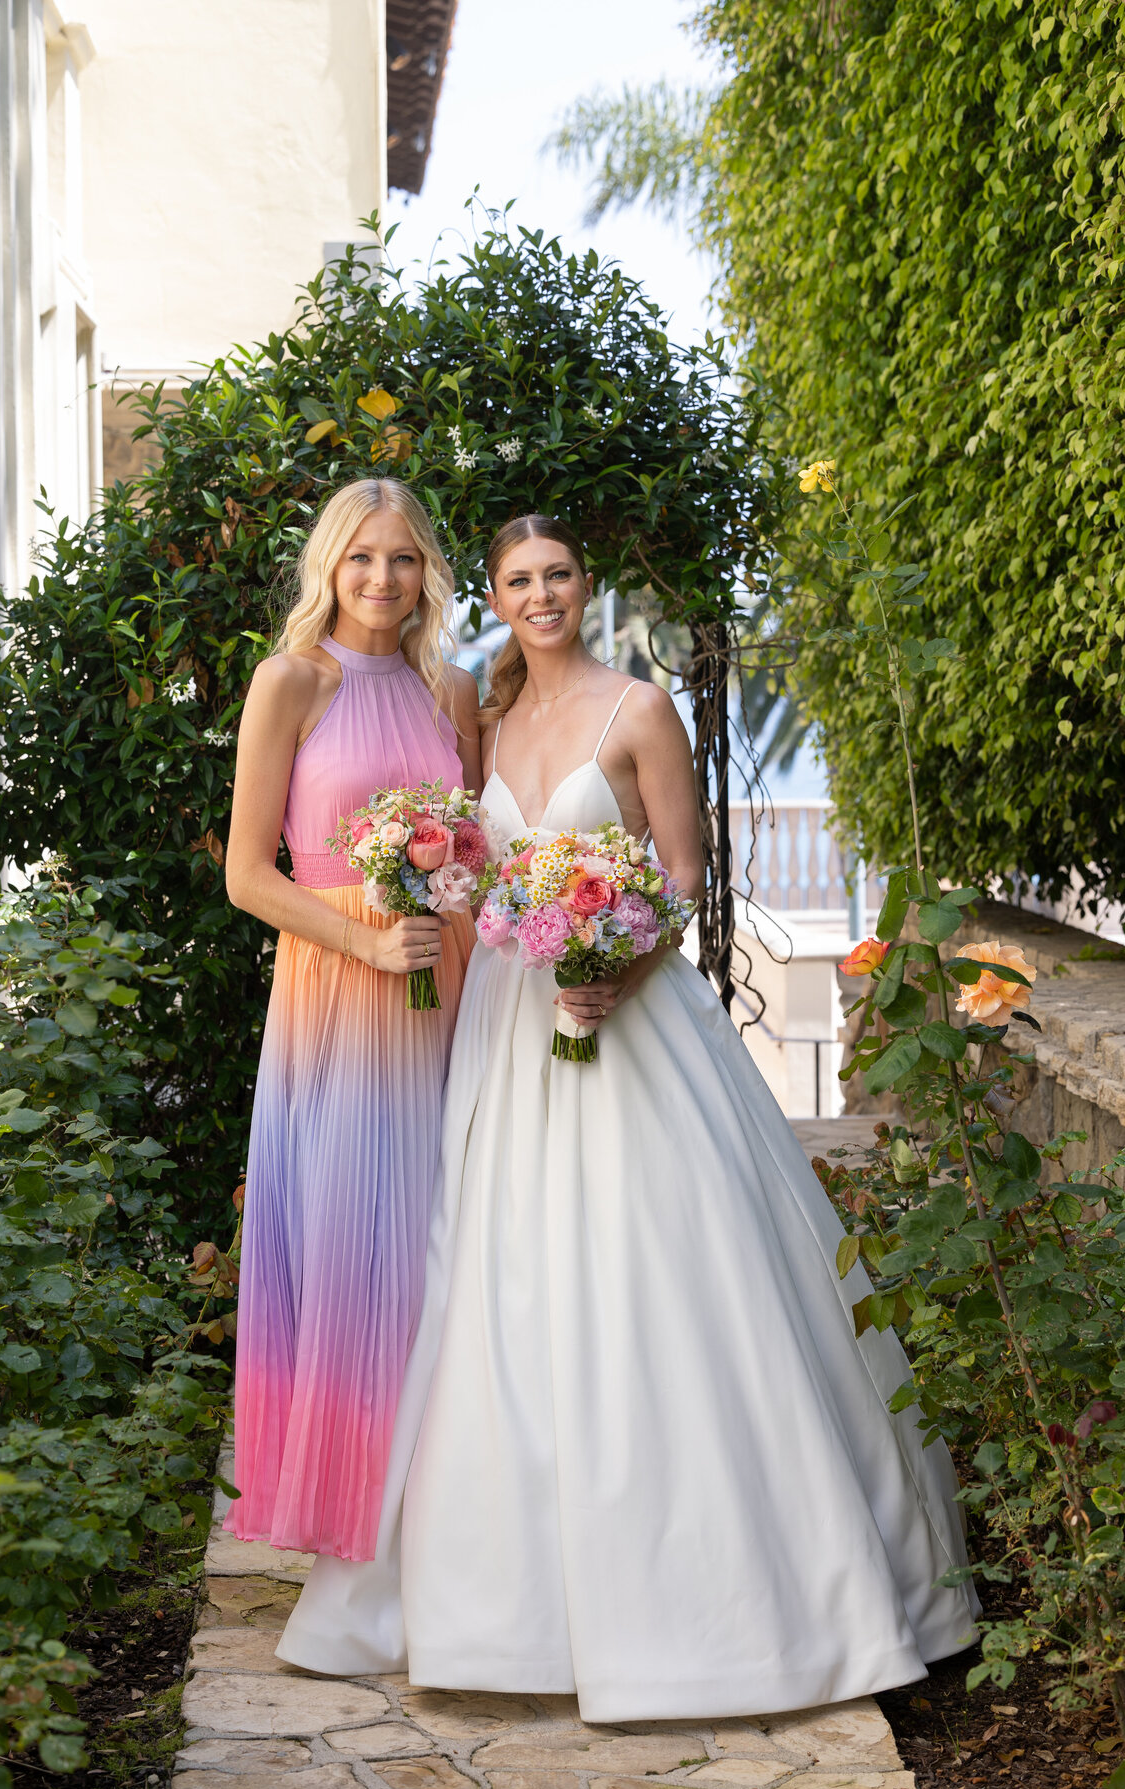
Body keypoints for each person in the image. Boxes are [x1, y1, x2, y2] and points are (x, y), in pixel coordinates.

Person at [393, 513, 980, 1721]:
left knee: (667, 1277)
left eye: (559, 575)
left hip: (635, 1022)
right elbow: (482, 873)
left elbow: (679, 875)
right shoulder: (487, 726)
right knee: (509, 1292)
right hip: (512, 1031)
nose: (542, 594)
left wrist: (617, 962)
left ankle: (751, 1604)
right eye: (520, 580)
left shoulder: (638, 710)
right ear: (495, 599)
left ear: (585, 586)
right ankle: (519, 1609)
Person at [222, 477, 478, 1567]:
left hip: (447, 982)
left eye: (405, 558)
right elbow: (246, 875)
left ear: (428, 574)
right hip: (338, 988)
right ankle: (352, 1512)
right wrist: (367, 941)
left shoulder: (452, 692)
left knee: (443, 1230)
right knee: (350, 1237)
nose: (382, 579)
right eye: (363, 557)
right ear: (329, 564)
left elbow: (480, 842)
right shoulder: (291, 683)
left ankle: (446, 1502)